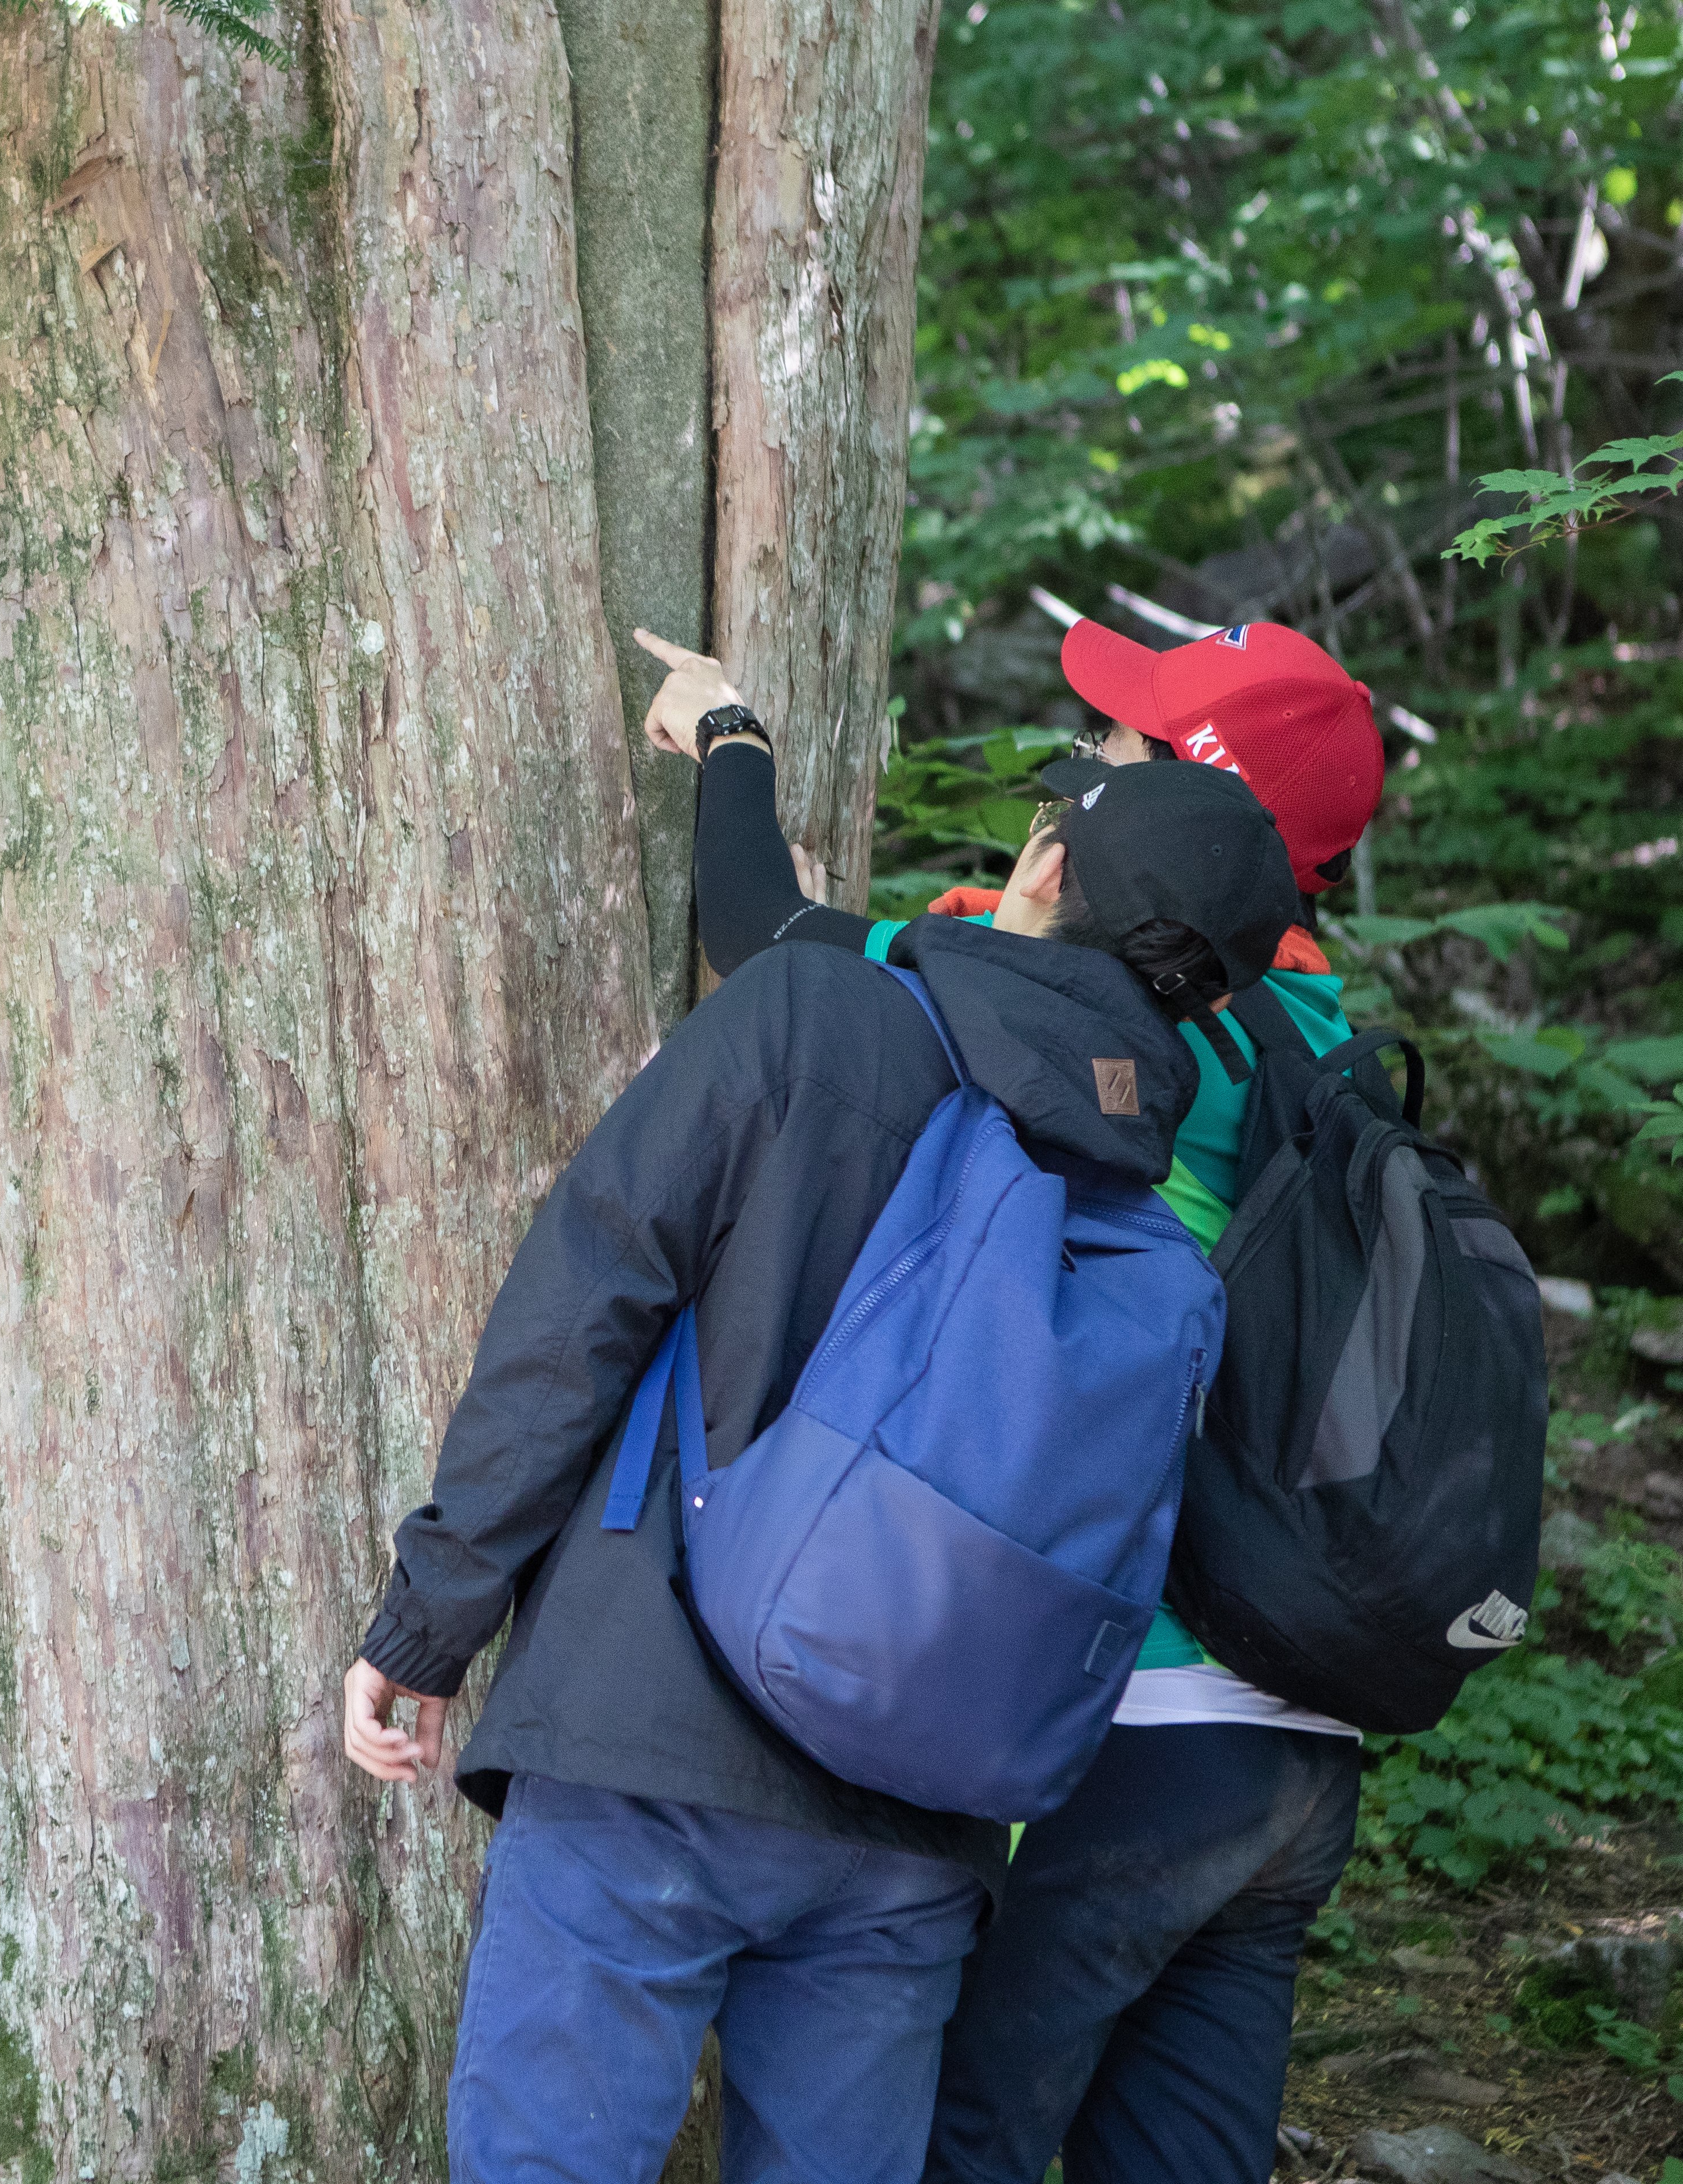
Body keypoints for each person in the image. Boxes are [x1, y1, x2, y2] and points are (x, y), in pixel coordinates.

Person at [340, 738, 1302, 2181]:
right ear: (1208, 998)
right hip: (924, 1822)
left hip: (651, 1734)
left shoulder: (811, 1016)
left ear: (1042, 871)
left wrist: (429, 1619)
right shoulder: (1146, 1226)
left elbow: (580, 1307)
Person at [637, 618, 1393, 2184]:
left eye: (1121, 743)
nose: (1089, 755)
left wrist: (729, 735)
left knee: (938, 2142)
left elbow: (766, 930)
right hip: (1299, 1741)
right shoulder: (1336, 1041)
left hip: (1115, 1710)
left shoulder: (1062, 972)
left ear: (1181, 797)